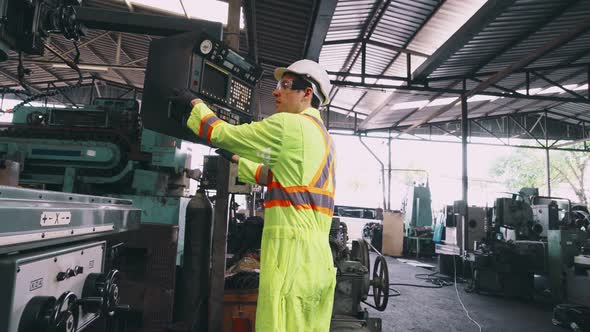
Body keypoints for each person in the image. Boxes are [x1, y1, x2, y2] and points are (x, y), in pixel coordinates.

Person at [185, 59, 337, 331]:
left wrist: (196, 105)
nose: (276, 92)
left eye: (286, 86)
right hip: (317, 260)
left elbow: (222, 132)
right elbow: (277, 176)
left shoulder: (291, 125)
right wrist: (237, 159)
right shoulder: (323, 137)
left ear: (307, 93)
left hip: (291, 255)